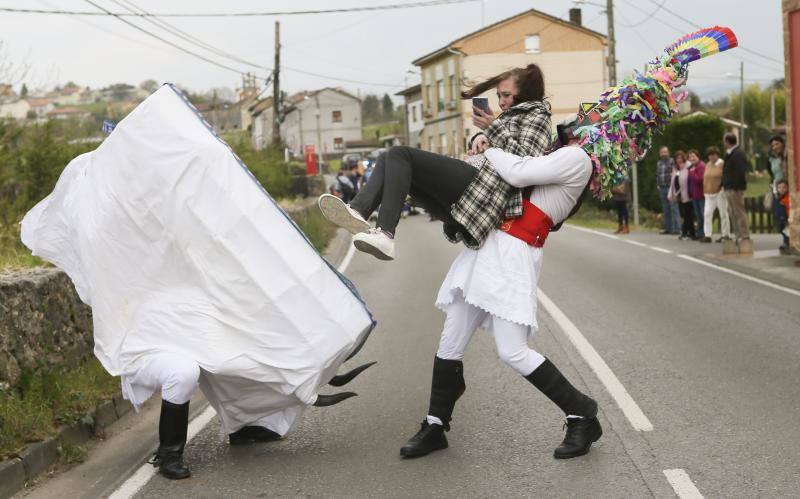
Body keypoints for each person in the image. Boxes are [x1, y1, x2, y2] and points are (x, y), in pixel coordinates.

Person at [399, 145, 601, 460]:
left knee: (513, 352)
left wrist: (492, 148)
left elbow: (517, 172)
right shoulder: (550, 156)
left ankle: (582, 414)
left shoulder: (577, 159)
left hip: (513, 257)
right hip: (487, 251)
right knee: (449, 342)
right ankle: (436, 425)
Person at [318, 63, 553, 260]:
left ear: (525, 94)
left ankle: (385, 234)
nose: (501, 102)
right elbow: (505, 146)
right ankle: (359, 210)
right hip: (473, 188)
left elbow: (527, 162)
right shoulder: (511, 117)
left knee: (400, 154)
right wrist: (481, 139)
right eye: (499, 95)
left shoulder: (537, 116)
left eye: (506, 95)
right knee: (388, 156)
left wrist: (492, 128)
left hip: (484, 192)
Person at [722, 133, 751, 247]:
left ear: (727, 142)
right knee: (732, 212)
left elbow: (740, 172)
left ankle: (744, 235)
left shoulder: (738, 153)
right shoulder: (730, 153)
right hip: (729, 186)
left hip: (735, 188)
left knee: (739, 211)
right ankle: (738, 235)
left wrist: (735, 186)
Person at [701, 146, 731, 243]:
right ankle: (707, 235)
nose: (711, 157)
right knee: (707, 214)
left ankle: (725, 235)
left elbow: (726, 176)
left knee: (723, 214)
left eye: (713, 155)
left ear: (717, 155)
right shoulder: (708, 164)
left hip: (719, 193)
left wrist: (722, 188)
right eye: (710, 155)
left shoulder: (722, 164)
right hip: (709, 193)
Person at [669, 150, 695, 240]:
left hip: (688, 194)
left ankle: (684, 232)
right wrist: (670, 194)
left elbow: (689, 180)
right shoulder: (676, 168)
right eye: (677, 158)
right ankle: (692, 233)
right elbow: (672, 182)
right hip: (679, 194)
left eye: (680, 158)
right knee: (685, 214)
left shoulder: (688, 166)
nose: (679, 160)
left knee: (687, 214)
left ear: (683, 158)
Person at [656, 146, 681, 234]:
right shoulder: (659, 163)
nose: (664, 154)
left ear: (668, 153)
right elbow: (658, 175)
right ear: (660, 154)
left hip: (671, 188)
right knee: (666, 210)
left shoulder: (672, 162)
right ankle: (668, 228)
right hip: (662, 188)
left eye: (665, 152)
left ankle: (677, 229)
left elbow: (676, 174)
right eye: (662, 152)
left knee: (674, 208)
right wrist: (658, 185)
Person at [687, 149, 706, 239]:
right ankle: (699, 233)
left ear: (698, 156)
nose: (692, 158)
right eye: (690, 157)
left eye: (694, 156)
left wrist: (692, 172)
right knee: (698, 215)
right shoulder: (691, 167)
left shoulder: (701, 166)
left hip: (701, 195)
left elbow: (700, 179)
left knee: (702, 215)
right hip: (694, 195)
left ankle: (703, 233)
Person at [775, 179, 791, 254]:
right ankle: (786, 243)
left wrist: (787, 220)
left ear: (787, 188)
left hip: (787, 219)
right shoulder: (778, 198)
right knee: (783, 231)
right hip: (781, 219)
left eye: (784, 187)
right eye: (779, 187)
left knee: (786, 231)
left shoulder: (787, 198)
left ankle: (787, 244)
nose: (781, 189)